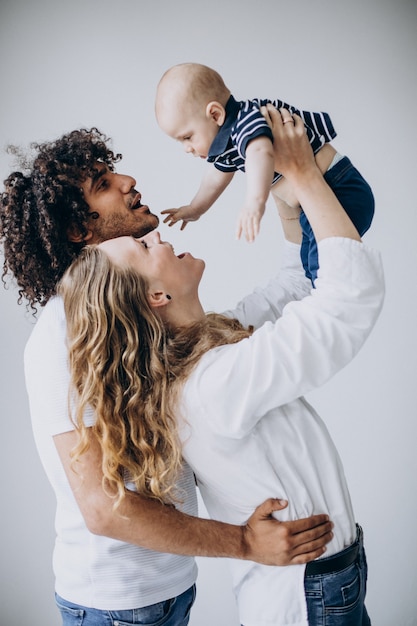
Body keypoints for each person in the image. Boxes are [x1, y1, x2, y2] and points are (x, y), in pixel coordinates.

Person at [59, 107, 384, 626]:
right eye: (146, 249)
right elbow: (348, 301)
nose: (160, 237)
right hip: (307, 591)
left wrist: (285, 195)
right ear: (156, 296)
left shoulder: (206, 347)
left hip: (321, 577)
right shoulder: (211, 383)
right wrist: (303, 173)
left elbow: (294, 287)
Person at [0, 126, 333, 625]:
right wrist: (244, 542)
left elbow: (238, 324)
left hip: (169, 588)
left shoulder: (130, 302)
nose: (128, 180)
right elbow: (102, 508)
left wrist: (295, 197)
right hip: (116, 604)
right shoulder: (65, 335)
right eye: (103, 183)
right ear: (77, 230)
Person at [155, 62, 374, 284]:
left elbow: (261, 153)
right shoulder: (228, 144)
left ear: (215, 114)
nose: (186, 148)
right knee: (309, 270)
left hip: (339, 189)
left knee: (323, 271)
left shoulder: (246, 121)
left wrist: (254, 202)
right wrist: (196, 208)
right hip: (313, 204)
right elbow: (214, 177)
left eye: (187, 137)